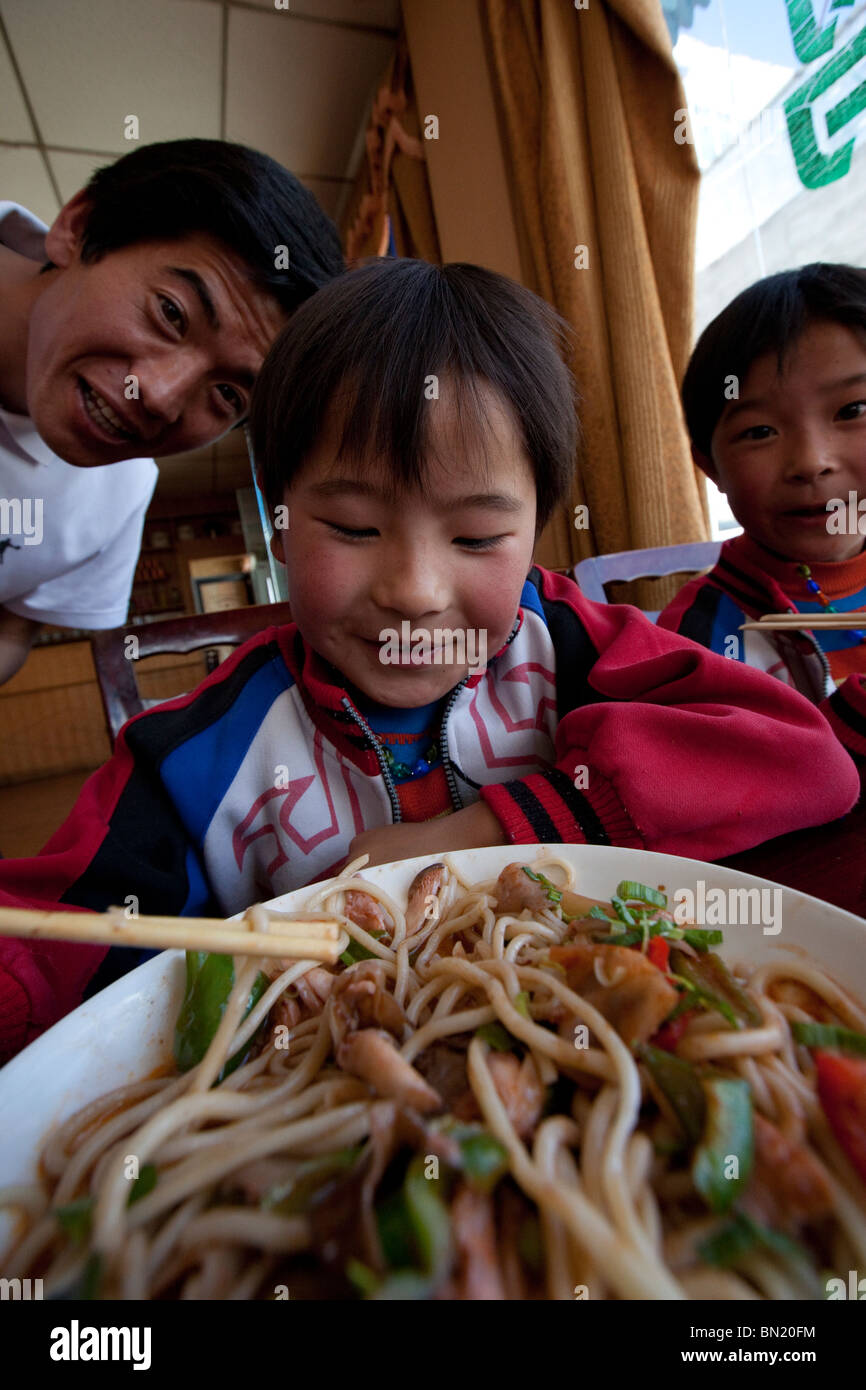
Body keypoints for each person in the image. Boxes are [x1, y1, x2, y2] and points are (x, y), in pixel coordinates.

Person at [0, 258, 858, 1061]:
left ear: (534, 534)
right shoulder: (191, 757)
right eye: (354, 528)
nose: (413, 589)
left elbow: (804, 759)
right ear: (280, 524)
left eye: (477, 536)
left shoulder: (562, 641)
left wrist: (474, 833)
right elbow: (47, 947)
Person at [0, 138, 344, 682]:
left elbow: (13, 629)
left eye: (230, 394)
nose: (158, 396)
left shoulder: (123, 492)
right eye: (170, 312)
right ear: (79, 227)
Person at [658, 265, 866, 755]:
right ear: (709, 466)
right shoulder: (698, 642)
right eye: (759, 432)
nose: (812, 462)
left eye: (853, 410)